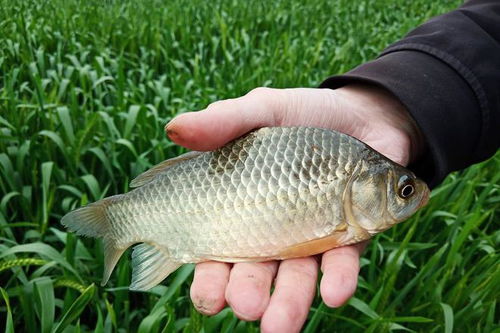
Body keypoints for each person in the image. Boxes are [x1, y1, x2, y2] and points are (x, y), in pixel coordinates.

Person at [165, 0, 500, 332]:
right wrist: (399, 106)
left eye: (404, 190)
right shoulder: (347, 164)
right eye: (403, 190)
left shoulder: (351, 165)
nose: (412, 195)